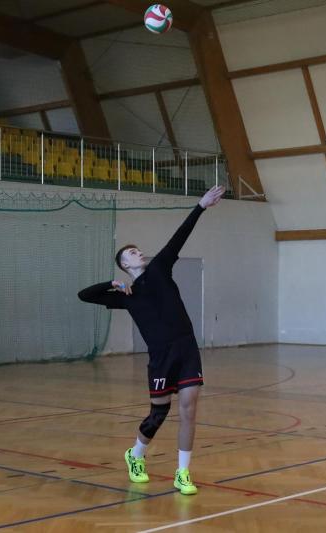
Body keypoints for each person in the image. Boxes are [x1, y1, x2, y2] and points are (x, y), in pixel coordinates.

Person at [78, 185, 225, 495]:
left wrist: (200, 206)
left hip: (186, 348)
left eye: (138, 250)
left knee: (188, 410)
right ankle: (136, 454)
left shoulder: (159, 268)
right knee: (159, 414)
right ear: (124, 265)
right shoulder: (127, 296)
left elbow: (179, 236)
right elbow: (84, 295)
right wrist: (112, 284)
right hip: (160, 358)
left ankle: (182, 473)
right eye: (131, 253)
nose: (139, 252)